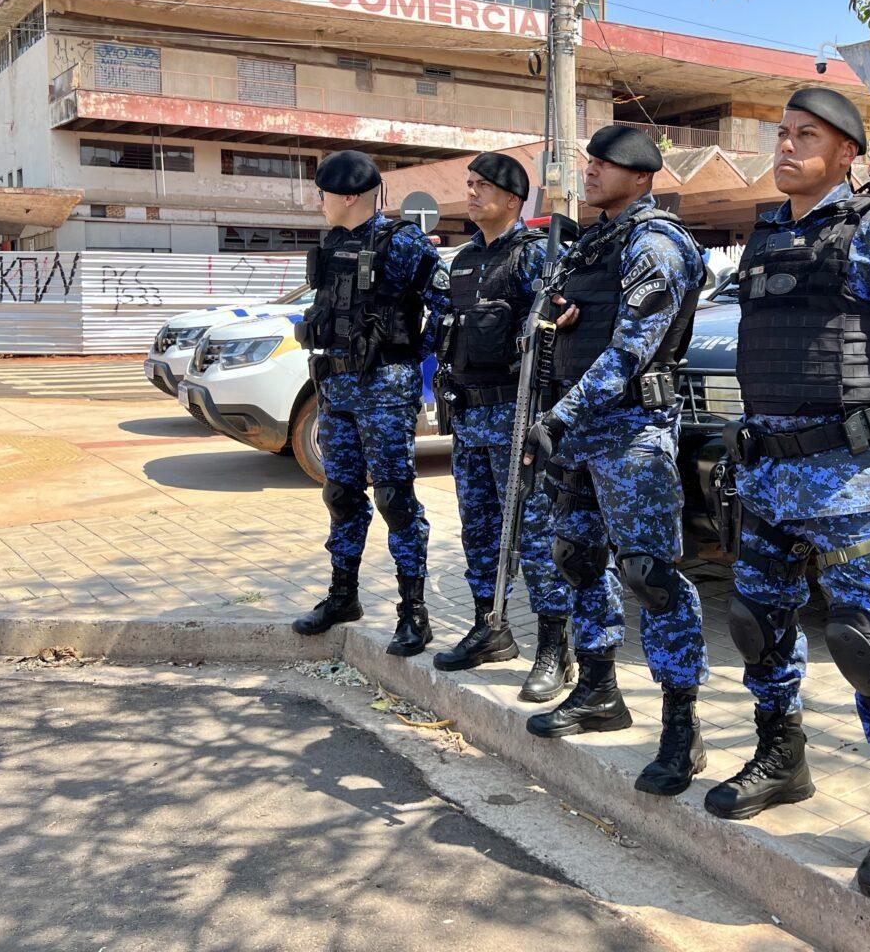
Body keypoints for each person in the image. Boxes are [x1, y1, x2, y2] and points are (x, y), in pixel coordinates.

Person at [704, 88, 870, 902]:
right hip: (767, 469)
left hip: (842, 477)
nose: (784, 147)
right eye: (780, 134)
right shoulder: (769, 232)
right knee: (756, 626)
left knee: (867, 646)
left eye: (805, 135)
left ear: (848, 153)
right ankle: (783, 759)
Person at [520, 125, 709, 798]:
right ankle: (599, 689)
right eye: (590, 160)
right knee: (577, 557)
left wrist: (559, 417)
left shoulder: (654, 243)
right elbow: (563, 326)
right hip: (578, 432)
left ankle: (682, 730)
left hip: (631, 431)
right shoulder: (593, 244)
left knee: (651, 575)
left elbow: (631, 351)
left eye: (607, 162)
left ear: (642, 175)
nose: (592, 169)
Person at [292, 149, 450, 658]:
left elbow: (447, 307)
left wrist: (410, 357)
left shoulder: (401, 243)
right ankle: (343, 597)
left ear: (350, 196)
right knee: (340, 496)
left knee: (395, 501)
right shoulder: (334, 242)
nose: (318, 202)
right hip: (336, 391)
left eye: (323, 193)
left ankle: (414, 614)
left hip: (384, 394)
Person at [431, 152, 576, 700]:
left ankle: (554, 649)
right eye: (467, 184)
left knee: (535, 536)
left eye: (481, 187)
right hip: (470, 417)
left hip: (518, 418)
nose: (469, 194)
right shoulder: (465, 260)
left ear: (512, 201)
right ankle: (490, 629)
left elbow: (557, 326)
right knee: (480, 531)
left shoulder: (534, 257)